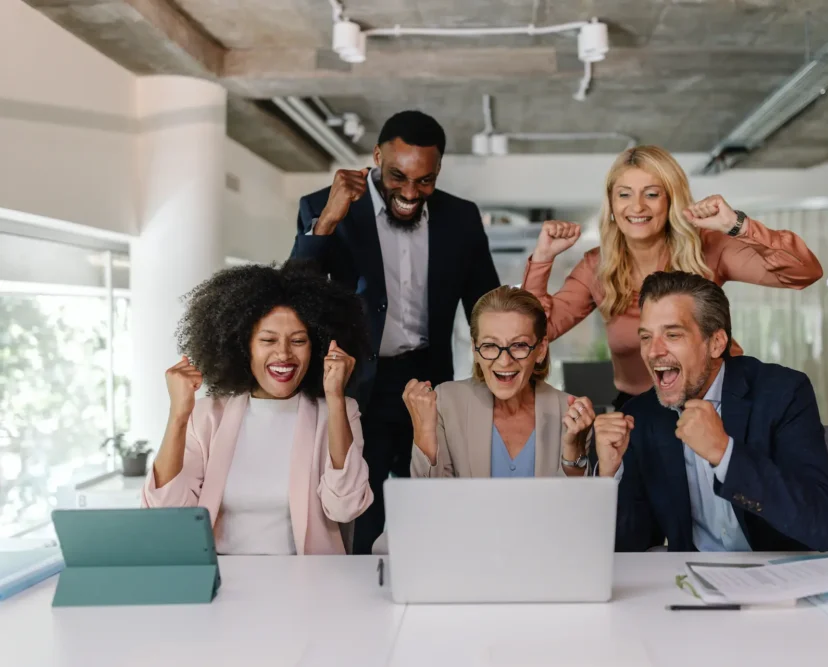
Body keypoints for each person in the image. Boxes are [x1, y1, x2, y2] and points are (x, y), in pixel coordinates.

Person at [289, 110, 500, 554]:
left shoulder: (461, 218)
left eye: (424, 181)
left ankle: (429, 587)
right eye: (397, 176)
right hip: (359, 382)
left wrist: (496, 378)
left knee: (432, 495)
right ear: (376, 156)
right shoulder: (322, 206)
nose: (409, 191)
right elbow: (294, 296)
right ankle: (363, 602)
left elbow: (486, 305)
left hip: (429, 378)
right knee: (361, 506)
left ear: (438, 170)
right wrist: (327, 221)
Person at [522, 145, 823, 411]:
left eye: (651, 194)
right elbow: (533, 333)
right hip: (640, 407)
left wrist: (736, 224)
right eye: (624, 194)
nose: (637, 206)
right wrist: (543, 258)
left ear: (670, 200)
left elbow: (802, 272)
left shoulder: (705, 247)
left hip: (719, 399)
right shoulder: (596, 267)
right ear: (612, 205)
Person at [596, 271, 828, 553]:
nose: (653, 351)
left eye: (672, 334)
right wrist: (609, 478)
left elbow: (824, 525)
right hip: (696, 584)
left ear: (716, 343)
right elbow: (631, 546)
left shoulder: (783, 393)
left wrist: (725, 454)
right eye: (646, 337)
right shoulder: (641, 416)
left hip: (788, 578)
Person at [141, 261, 373, 555]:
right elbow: (166, 513)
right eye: (268, 340)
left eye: (298, 341)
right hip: (222, 585)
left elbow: (346, 507)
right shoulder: (207, 416)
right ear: (243, 346)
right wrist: (178, 416)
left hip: (310, 586)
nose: (284, 354)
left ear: (317, 347)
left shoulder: (339, 412)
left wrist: (337, 397)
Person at [404, 286, 596, 479]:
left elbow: (571, 504)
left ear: (541, 349)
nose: (504, 361)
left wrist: (573, 451)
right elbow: (431, 502)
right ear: (475, 349)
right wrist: (424, 431)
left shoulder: (570, 414)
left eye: (519, 345)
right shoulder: (446, 402)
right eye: (489, 346)